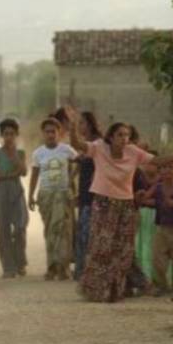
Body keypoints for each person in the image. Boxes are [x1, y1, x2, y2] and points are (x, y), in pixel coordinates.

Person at [67, 108, 173, 302]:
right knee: (102, 246)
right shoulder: (99, 147)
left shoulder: (133, 152)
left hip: (126, 206)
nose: (124, 138)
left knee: (123, 249)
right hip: (103, 204)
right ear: (110, 137)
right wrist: (74, 125)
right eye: (120, 135)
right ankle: (96, 289)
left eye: (127, 135)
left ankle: (115, 290)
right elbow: (77, 144)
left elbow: (158, 160)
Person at [28, 118, 77, 280]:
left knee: (64, 231)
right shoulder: (38, 153)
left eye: (53, 131)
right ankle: (52, 267)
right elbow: (34, 175)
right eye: (47, 131)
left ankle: (63, 268)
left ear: (59, 133)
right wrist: (30, 196)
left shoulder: (66, 150)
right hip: (46, 195)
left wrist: (72, 180)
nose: (50, 135)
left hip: (63, 194)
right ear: (43, 133)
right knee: (50, 231)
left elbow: (79, 163)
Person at [142, 162, 173, 301]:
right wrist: (142, 196)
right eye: (164, 167)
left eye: (171, 168)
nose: (167, 171)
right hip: (162, 228)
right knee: (158, 259)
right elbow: (146, 198)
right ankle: (161, 286)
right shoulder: (157, 187)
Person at [0, 118, 29, 279]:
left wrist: (13, 155)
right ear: (1, 135)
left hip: (16, 190)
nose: (9, 137)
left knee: (20, 227)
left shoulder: (20, 153)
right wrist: (11, 174)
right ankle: (8, 267)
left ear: (16, 135)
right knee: (3, 229)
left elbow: (24, 171)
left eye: (12, 134)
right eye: (6, 134)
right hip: (1, 192)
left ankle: (20, 263)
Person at [74, 111, 102, 280]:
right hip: (85, 195)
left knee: (89, 235)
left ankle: (89, 272)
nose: (80, 127)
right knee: (83, 234)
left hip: (95, 197)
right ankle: (84, 271)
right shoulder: (87, 145)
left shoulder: (98, 144)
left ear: (90, 124)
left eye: (82, 123)